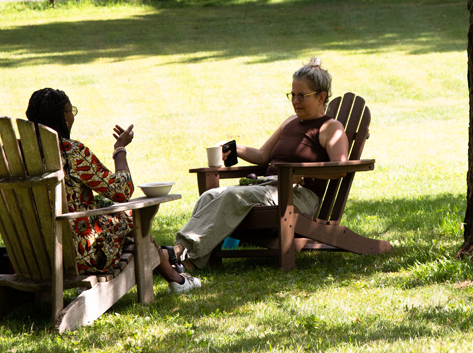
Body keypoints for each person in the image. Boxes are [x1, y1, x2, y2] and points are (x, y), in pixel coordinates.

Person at [173, 58, 349, 269]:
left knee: (231, 196)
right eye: (292, 95)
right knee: (209, 196)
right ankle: (191, 261)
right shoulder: (290, 122)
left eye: (302, 96)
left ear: (321, 97)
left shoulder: (331, 128)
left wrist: (301, 175)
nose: (295, 101)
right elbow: (263, 155)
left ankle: (178, 254)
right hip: (269, 188)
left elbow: (340, 168)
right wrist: (233, 148)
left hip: (297, 197)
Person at [25, 88, 200, 294]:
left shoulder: (16, 155)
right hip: (79, 255)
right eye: (70, 110)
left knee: (120, 217)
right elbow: (121, 191)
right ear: (61, 116)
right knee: (133, 220)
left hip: (30, 253)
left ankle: (173, 273)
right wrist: (120, 150)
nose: (72, 115)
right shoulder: (71, 153)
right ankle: (176, 278)